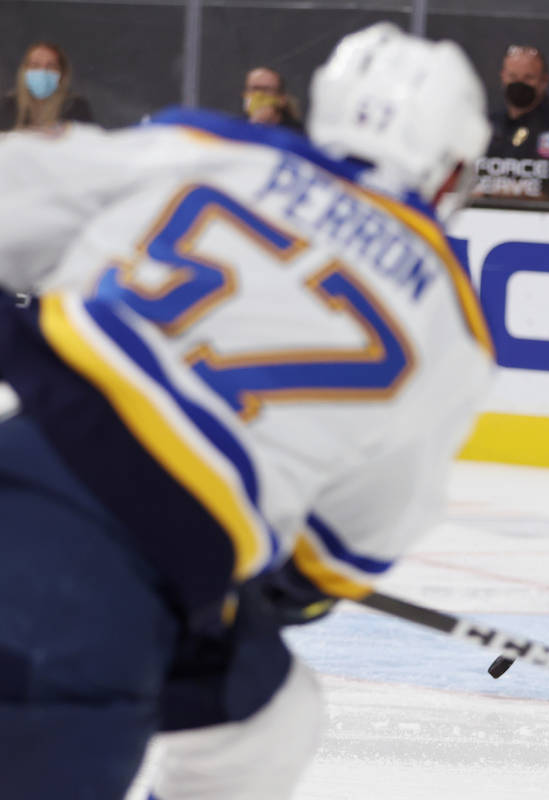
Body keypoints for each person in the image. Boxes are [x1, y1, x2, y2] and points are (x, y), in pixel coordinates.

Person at [0, 22, 493, 799]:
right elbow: (349, 547)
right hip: (149, 575)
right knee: (271, 724)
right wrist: (275, 591)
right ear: (453, 167)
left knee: (273, 716)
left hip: (32, 458)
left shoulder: (205, 146)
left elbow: (15, 194)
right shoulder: (452, 334)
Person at [476, 44, 549, 202]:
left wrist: (496, 193)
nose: (519, 83)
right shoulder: (490, 125)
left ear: (544, 81)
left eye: (528, 78)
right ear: (503, 77)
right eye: (512, 76)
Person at [0, 41, 94, 131]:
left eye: (50, 66)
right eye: (35, 65)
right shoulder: (8, 106)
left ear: (62, 72)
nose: (42, 71)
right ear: (24, 71)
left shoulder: (77, 108)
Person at [242, 65, 305, 133]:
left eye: (266, 89)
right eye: (254, 89)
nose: (259, 95)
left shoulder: (297, 133)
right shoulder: (236, 130)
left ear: (282, 98)